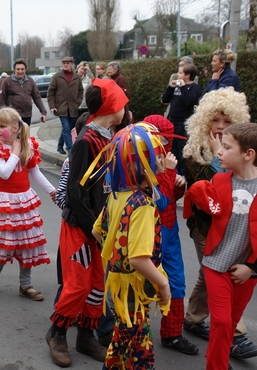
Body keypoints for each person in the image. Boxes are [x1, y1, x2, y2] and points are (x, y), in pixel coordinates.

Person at [46, 78, 128, 367]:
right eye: (122, 103)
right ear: (112, 106)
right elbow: (75, 194)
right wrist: (94, 227)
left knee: (96, 286)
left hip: (98, 228)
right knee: (78, 286)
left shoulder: (108, 137)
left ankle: (85, 336)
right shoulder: (86, 142)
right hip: (81, 228)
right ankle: (56, 333)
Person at [183, 123, 257, 370]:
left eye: (226, 147)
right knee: (223, 323)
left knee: (231, 321)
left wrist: (252, 267)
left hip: (246, 271)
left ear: (248, 154)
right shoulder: (219, 179)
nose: (220, 152)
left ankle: (219, 360)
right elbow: (210, 208)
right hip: (216, 264)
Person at [90, 122, 171, 370]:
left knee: (123, 345)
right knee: (138, 354)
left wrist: (116, 253)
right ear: (143, 167)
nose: (162, 165)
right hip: (133, 292)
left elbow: (97, 230)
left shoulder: (117, 195)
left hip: (116, 284)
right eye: (158, 161)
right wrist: (163, 284)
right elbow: (138, 259)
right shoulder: (143, 205)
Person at [0, 107, 56, 300]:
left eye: (2, 126)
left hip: (23, 200)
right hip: (4, 202)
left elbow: (35, 172)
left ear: (14, 128)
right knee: (7, 244)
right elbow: (3, 173)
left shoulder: (28, 145)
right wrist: (16, 151)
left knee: (27, 244)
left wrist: (52, 190)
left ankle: (25, 285)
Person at [143, 114, 199, 355]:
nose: (167, 147)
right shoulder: (140, 162)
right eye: (163, 141)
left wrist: (178, 185)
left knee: (176, 283)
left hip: (170, 231)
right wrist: (168, 174)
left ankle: (172, 334)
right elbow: (160, 202)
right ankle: (137, 335)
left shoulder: (162, 161)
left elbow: (169, 198)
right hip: (148, 232)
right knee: (144, 285)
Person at [162, 63, 202, 174]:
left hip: (183, 123)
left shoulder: (194, 87)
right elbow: (165, 100)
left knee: (182, 151)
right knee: (171, 149)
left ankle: (183, 175)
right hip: (171, 122)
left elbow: (189, 101)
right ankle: (173, 173)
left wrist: (184, 87)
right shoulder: (176, 86)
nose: (177, 74)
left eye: (180, 72)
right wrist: (170, 87)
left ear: (188, 75)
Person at [48, 56, 84, 155]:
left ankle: (60, 146)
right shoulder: (57, 76)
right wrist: (52, 106)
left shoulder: (76, 77)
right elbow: (50, 92)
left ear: (72, 64)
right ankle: (70, 150)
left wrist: (78, 101)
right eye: (64, 63)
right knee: (66, 128)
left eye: (67, 63)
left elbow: (81, 91)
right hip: (61, 108)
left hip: (73, 108)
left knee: (68, 129)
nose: (65, 65)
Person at [0, 58, 47, 126]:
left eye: (22, 69)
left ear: (25, 70)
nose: (20, 71)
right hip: (13, 115)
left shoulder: (30, 81)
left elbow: (37, 97)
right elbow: (2, 99)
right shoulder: (7, 81)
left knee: (25, 136)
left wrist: (43, 112)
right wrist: (3, 115)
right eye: (18, 69)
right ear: (14, 70)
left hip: (27, 115)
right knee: (15, 136)